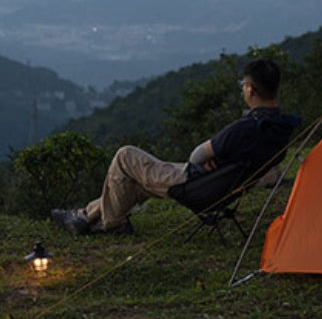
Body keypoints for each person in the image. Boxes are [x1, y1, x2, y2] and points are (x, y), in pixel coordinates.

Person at [51, 58, 297, 235]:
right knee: (133, 182)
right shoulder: (280, 129)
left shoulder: (246, 127)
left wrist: (206, 163)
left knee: (125, 156)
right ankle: (84, 216)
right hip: (221, 189)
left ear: (250, 89)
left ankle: (112, 225)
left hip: (196, 186)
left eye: (243, 85)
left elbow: (197, 154)